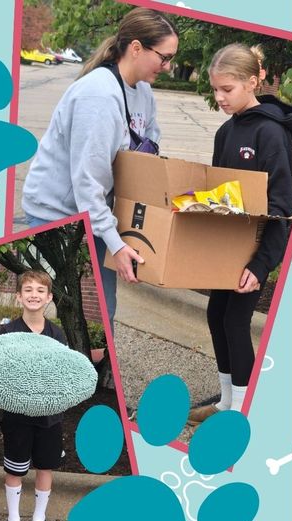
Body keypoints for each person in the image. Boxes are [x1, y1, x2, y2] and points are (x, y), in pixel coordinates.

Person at [21, 7, 177, 322]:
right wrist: (116, 244)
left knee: (104, 308)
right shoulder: (99, 97)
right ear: (136, 48)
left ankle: (99, 367)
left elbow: (147, 153)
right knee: (70, 308)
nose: (169, 66)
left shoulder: (143, 92)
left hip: (94, 210)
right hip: (58, 214)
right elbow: (87, 182)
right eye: (164, 57)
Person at [187, 44, 292, 424]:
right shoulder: (224, 132)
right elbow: (220, 195)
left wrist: (261, 262)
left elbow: (282, 207)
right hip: (225, 246)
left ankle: (242, 412)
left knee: (236, 321)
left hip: (256, 250)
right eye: (215, 89)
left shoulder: (271, 134)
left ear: (254, 81)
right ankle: (225, 402)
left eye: (227, 89)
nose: (219, 97)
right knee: (217, 315)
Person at [0, 271, 68, 521]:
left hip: (50, 415)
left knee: (45, 466)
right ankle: (13, 520)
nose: (34, 295)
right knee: (15, 468)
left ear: (49, 297)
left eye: (40, 290)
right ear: (18, 296)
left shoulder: (56, 333)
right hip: (17, 415)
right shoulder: (7, 332)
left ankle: (39, 519)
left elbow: (64, 372)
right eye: (28, 290)